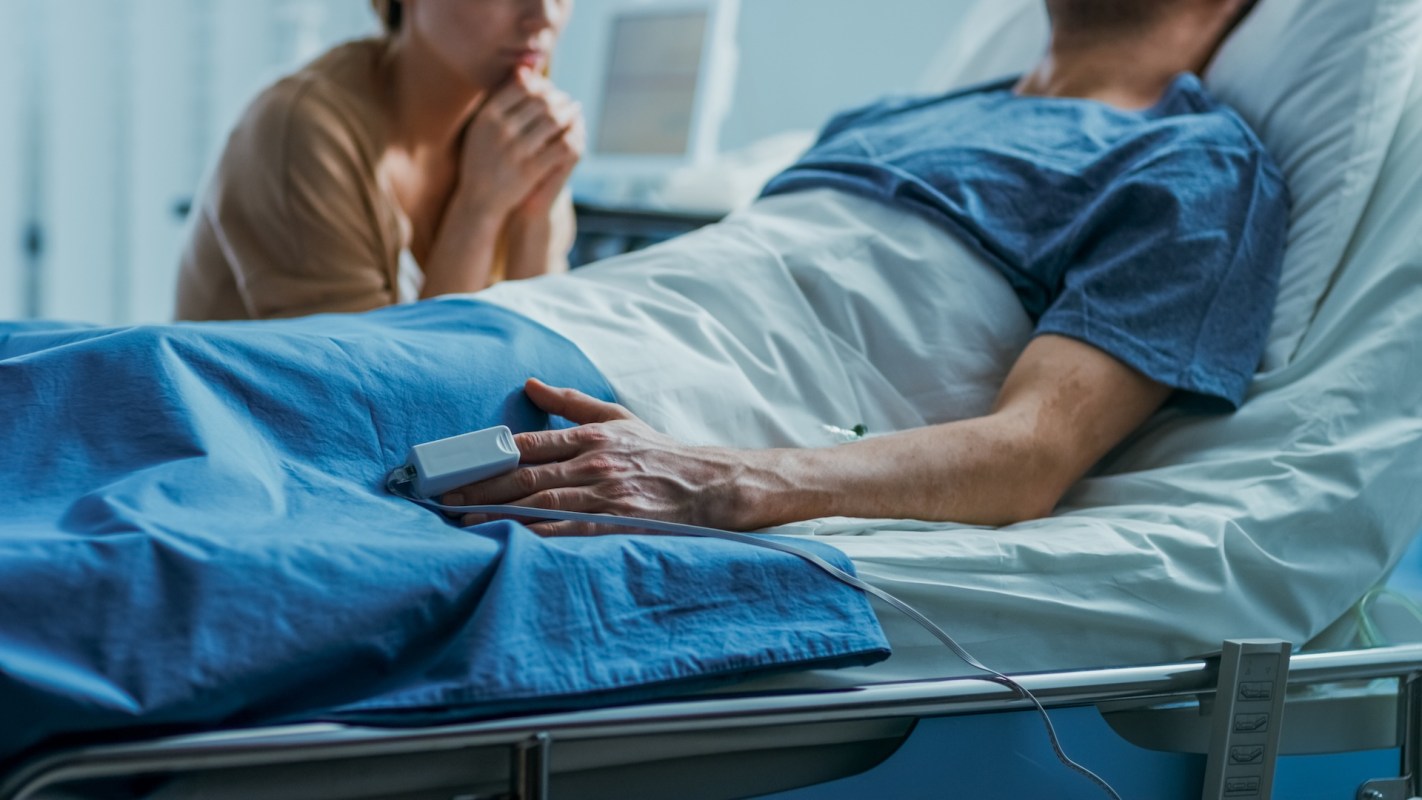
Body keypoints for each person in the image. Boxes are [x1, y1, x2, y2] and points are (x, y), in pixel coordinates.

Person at [444, 0, 1288, 534]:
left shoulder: (1192, 165)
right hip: (524, 328)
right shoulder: (891, 115)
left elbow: (1029, 456)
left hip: (610, 406)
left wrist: (723, 481)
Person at [175, 0, 583, 321]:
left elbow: (537, 360)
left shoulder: (514, 132)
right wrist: (478, 208)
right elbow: (393, 401)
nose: (543, 16)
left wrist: (536, 212)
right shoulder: (301, 129)